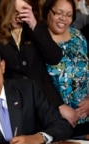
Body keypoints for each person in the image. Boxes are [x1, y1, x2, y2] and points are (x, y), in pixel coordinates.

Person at [0, 0, 64, 109]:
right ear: (6, 9)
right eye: (14, 11)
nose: (18, 16)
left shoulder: (37, 29)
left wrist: (34, 26)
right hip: (12, 101)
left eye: (23, 11)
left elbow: (55, 58)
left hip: (42, 98)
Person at [42, 0, 89, 136]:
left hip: (84, 116)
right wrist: (59, 107)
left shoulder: (78, 36)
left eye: (69, 15)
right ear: (48, 12)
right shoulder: (40, 39)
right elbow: (38, 81)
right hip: (55, 120)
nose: (64, 18)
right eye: (59, 13)